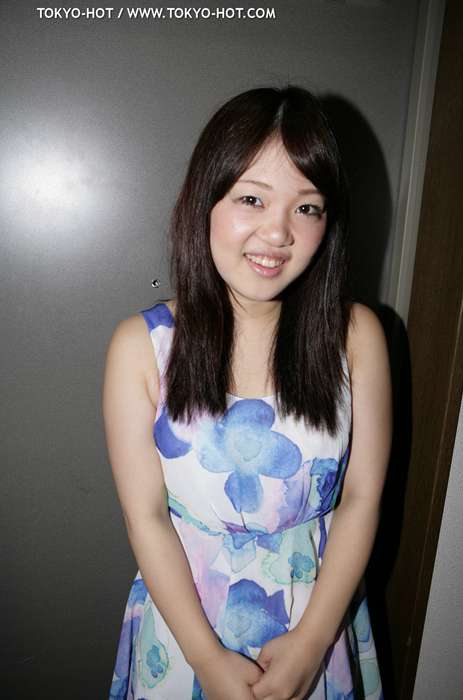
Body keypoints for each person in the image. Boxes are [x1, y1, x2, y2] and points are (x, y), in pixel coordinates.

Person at [102, 85, 392, 700]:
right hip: (187, 628)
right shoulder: (142, 347)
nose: (278, 232)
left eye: (307, 207)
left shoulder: (357, 336)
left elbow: (362, 497)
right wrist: (207, 659)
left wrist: (312, 644)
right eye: (252, 198)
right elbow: (145, 517)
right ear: (204, 201)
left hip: (318, 620)